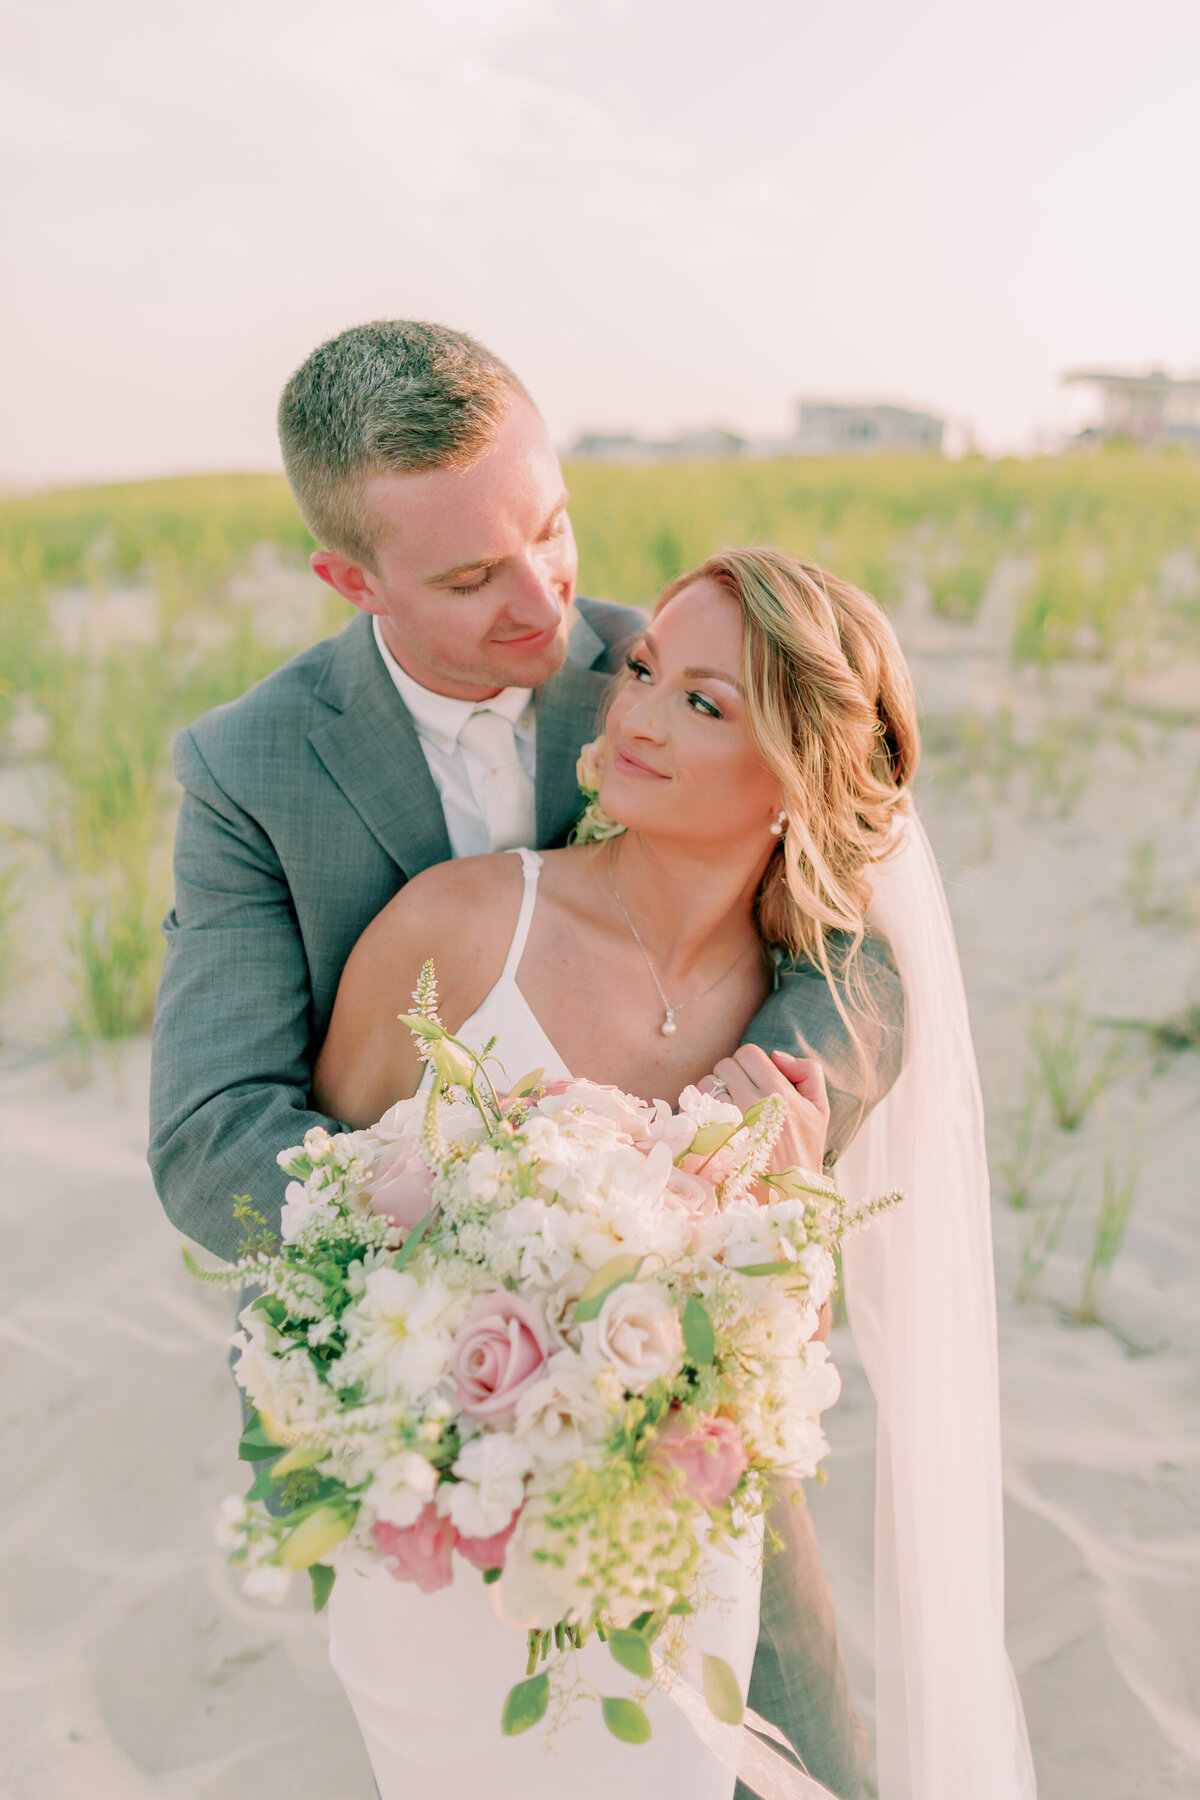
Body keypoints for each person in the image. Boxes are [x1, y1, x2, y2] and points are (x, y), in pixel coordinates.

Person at [149, 322, 894, 1798]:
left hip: (675, 1359)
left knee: (799, 1756)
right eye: (470, 577)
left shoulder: (673, 662)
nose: (544, 600)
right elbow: (211, 1135)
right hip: (413, 1406)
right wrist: (500, 1253)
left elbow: (852, 940)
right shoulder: (249, 769)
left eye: (549, 528)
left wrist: (743, 1138)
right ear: (351, 582)